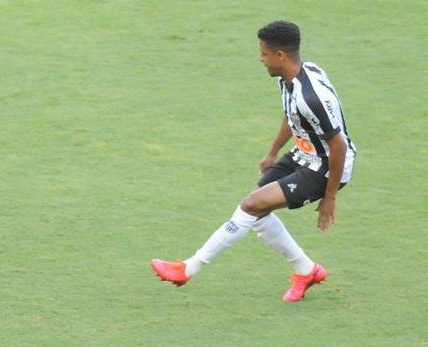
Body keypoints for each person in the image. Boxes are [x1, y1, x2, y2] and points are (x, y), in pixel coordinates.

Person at [151, 20, 356, 301]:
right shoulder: (293, 80)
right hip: (304, 154)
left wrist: (329, 197)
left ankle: (188, 268)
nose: (261, 59)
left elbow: (339, 146)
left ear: (280, 56)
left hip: (326, 166)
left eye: (264, 53)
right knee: (256, 211)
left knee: (250, 206)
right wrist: (272, 151)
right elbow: (292, 115)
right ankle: (306, 270)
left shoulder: (311, 97)